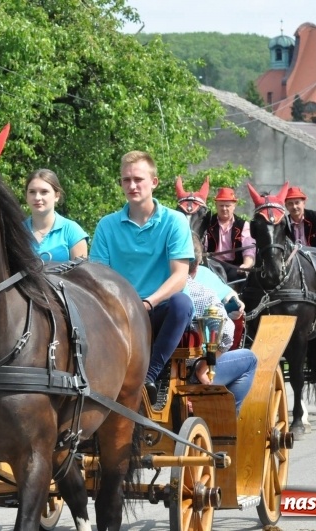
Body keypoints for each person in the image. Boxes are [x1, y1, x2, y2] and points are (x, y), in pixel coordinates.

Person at [89, 151, 195, 405]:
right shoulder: (107, 225)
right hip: (118, 314)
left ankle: (150, 375)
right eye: (126, 180)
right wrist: (124, 306)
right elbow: (99, 277)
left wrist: (148, 302)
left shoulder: (175, 221)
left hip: (158, 310)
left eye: (138, 179)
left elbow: (180, 276)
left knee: (182, 303)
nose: (132, 185)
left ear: (154, 182)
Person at [185, 237, 257, 414]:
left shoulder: (149, 284)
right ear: (199, 262)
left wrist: (235, 301)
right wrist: (204, 366)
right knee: (250, 359)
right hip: (196, 365)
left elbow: (230, 295)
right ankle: (227, 416)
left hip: (153, 367)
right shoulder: (203, 293)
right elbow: (227, 334)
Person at [24, 169, 88, 261]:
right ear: (26, 196)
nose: (37, 197)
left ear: (57, 196)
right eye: (32, 192)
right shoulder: (17, 232)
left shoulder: (72, 231)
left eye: (44, 192)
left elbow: (82, 274)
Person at [205, 187, 255, 283]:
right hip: (212, 264)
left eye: (227, 206)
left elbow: (249, 249)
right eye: (221, 205)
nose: (224, 209)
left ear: (234, 206)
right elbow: (203, 246)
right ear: (216, 205)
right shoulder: (207, 223)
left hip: (235, 266)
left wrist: (246, 264)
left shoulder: (243, 225)